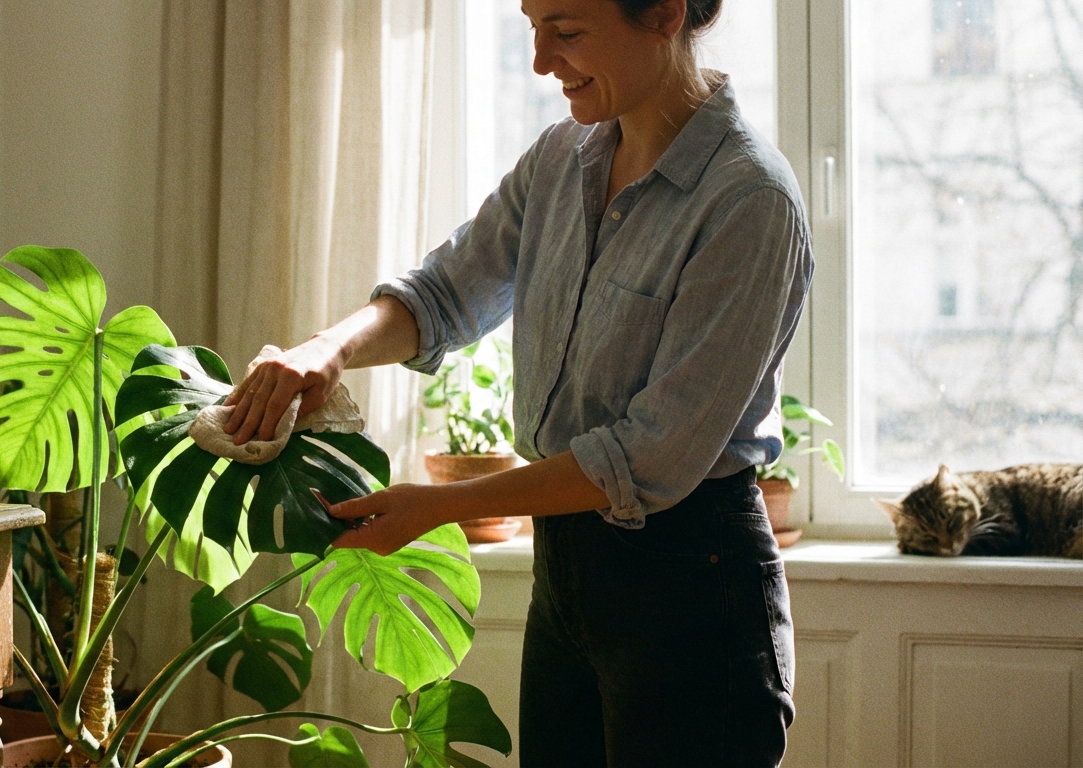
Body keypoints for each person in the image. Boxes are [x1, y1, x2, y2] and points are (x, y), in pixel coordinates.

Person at [223, 0, 808, 764]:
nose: (540, 61)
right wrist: (325, 350)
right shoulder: (560, 162)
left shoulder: (749, 200)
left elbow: (650, 458)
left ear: (664, 12)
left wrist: (443, 506)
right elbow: (443, 295)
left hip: (692, 591)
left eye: (565, 32)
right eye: (531, 27)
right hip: (566, 578)